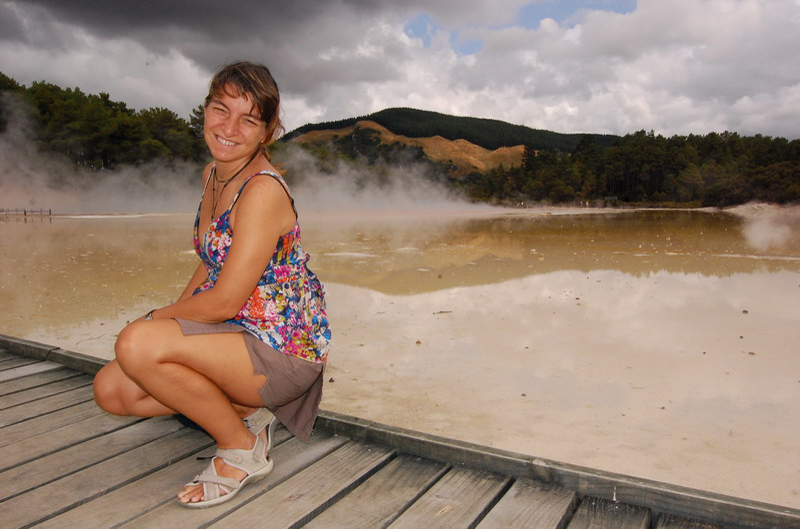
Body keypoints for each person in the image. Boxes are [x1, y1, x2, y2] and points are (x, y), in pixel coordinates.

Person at [93, 61, 331, 508]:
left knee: (138, 343)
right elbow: (211, 262)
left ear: (268, 130)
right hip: (236, 334)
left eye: (249, 119)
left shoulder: (262, 191)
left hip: (280, 350)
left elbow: (222, 301)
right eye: (221, 110)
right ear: (204, 109)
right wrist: (163, 332)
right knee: (112, 389)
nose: (229, 128)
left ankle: (240, 448)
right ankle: (246, 412)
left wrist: (150, 324)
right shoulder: (213, 174)